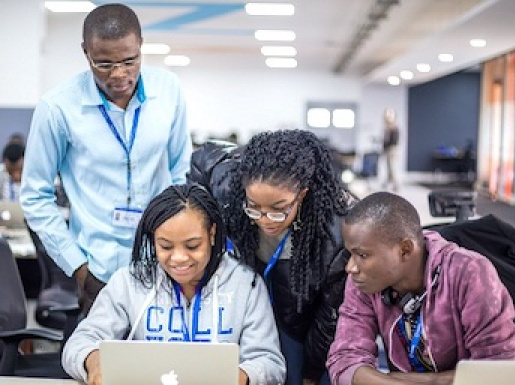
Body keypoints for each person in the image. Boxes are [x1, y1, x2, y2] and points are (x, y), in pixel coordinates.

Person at [20, 3, 192, 316]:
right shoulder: (58, 108)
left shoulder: (168, 91)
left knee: (164, 364)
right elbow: (34, 196)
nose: (119, 75)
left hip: (164, 265)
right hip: (98, 270)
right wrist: (79, 268)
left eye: (130, 60)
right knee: (101, 362)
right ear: (85, 52)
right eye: (104, 64)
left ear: (141, 45)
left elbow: (181, 173)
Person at [62, 183, 286, 385]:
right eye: (166, 247)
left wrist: (242, 376)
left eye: (192, 246)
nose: (179, 258)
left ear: (212, 234)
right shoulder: (129, 282)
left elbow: (270, 363)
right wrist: (93, 362)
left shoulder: (246, 285)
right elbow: (79, 343)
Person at [189, 129, 352, 385]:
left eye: (278, 209)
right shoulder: (229, 182)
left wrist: (309, 373)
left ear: (303, 194)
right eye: (253, 207)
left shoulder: (336, 232)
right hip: (246, 304)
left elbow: (327, 318)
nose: (264, 220)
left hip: (298, 317)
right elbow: (203, 159)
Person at [327, 191, 515, 385]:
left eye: (362, 255)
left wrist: (412, 380)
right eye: (350, 254)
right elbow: (344, 362)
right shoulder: (363, 281)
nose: (350, 267)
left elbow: (498, 372)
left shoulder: (470, 273)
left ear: (405, 250)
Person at [382, 108, 400, 190]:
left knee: (392, 167)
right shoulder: (387, 128)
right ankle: (387, 182)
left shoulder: (394, 128)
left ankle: (396, 184)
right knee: (388, 167)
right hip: (388, 149)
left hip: (392, 149)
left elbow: (393, 141)